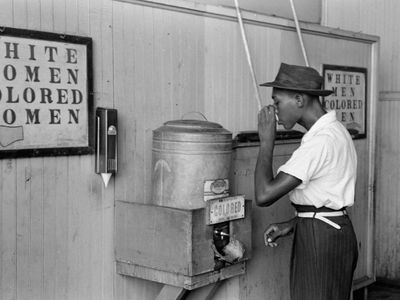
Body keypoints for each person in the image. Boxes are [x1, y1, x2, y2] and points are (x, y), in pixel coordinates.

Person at [255, 63, 358, 300]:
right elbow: (327, 197)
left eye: (277, 102)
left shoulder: (320, 141)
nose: (275, 110)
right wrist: (295, 222)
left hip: (320, 239)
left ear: (299, 100)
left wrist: (266, 142)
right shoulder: (335, 131)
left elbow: (264, 194)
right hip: (330, 230)